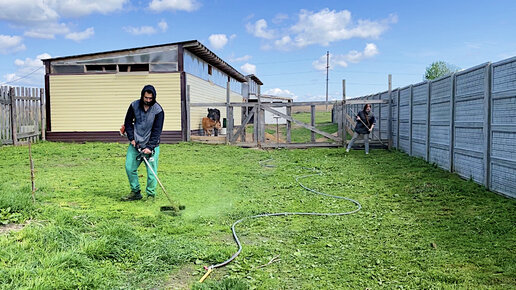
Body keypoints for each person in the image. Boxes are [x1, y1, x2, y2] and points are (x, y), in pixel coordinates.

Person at [121, 85, 164, 201]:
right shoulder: (134, 106)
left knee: (151, 173)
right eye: (146, 98)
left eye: (151, 98)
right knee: (129, 168)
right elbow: (128, 122)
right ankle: (135, 192)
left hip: (151, 146)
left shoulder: (158, 110)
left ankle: (150, 195)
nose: (148, 100)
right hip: (136, 145)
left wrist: (150, 147)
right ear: (142, 96)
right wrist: (132, 138)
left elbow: (157, 131)